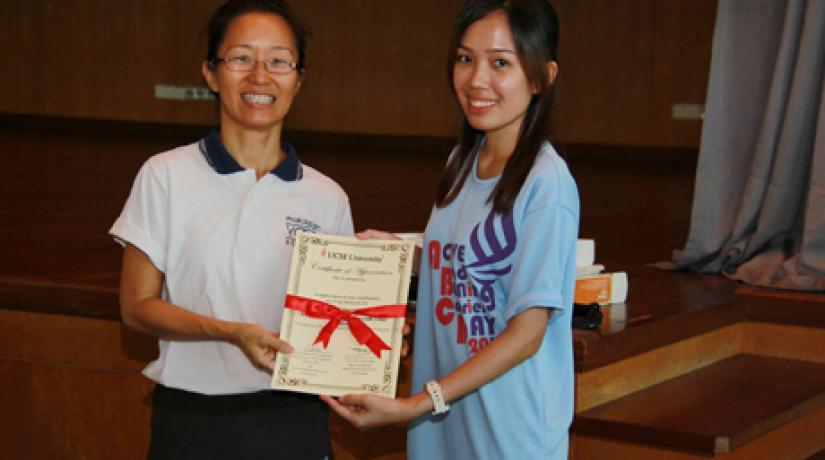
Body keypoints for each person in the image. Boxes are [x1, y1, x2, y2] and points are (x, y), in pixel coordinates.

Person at [322, 0, 578, 459]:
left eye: (501, 63)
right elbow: (468, 264)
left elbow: (528, 332)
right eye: (465, 59)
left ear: (542, 76)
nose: (477, 80)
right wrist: (403, 255)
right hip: (444, 428)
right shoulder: (460, 163)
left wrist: (419, 402)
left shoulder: (547, 183)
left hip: (508, 435)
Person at [110, 1, 352, 458]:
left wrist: (373, 342)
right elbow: (136, 307)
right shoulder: (164, 175)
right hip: (191, 422)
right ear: (210, 73)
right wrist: (230, 332)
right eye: (241, 58)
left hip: (294, 421)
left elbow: (335, 327)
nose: (260, 76)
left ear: (299, 79)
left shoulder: (327, 197)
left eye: (279, 61)